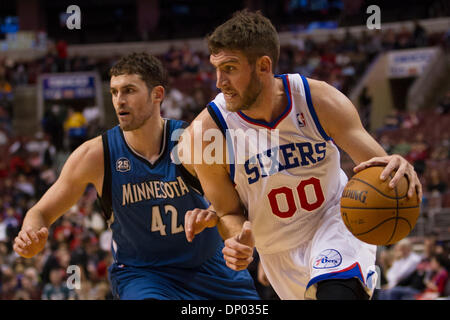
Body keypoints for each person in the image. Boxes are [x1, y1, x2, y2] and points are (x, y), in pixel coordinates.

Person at [181, 10, 422, 300]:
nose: (219, 81)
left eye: (230, 68)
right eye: (216, 69)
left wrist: (395, 164)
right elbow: (228, 211)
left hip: (334, 221)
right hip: (277, 251)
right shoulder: (206, 133)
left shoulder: (317, 100)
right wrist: (237, 242)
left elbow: (379, 166)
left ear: (263, 66)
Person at [13, 52, 259, 300]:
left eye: (129, 90)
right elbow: (40, 212)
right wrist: (29, 235)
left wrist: (225, 228)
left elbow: (232, 209)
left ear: (157, 94)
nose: (119, 100)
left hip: (211, 268)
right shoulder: (94, 155)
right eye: (114, 92)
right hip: (144, 275)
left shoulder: (191, 142)